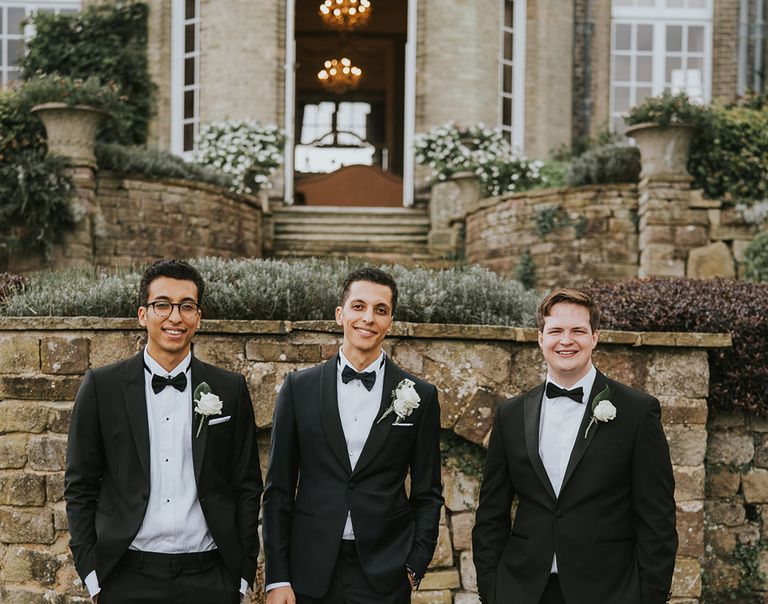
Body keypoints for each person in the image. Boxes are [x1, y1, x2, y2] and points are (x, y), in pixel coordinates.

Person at [65, 259, 263, 604]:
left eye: (187, 306)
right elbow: (80, 483)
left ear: (198, 317)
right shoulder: (102, 386)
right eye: (163, 305)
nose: (175, 317)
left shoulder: (229, 389)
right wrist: (92, 575)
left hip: (211, 576)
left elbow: (246, 484)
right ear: (143, 314)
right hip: (126, 576)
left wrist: (242, 574)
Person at [472, 288, 677, 604]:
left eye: (578, 331)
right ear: (541, 337)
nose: (566, 340)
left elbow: (657, 517)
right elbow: (491, 513)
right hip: (522, 590)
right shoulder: (510, 414)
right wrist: (492, 587)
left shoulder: (637, 412)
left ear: (595, 337)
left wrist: (649, 595)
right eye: (556, 331)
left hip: (610, 591)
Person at [263, 266, 444, 604]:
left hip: (385, 574)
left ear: (390, 321)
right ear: (340, 314)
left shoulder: (420, 395)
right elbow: (278, 490)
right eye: (358, 306)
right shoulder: (298, 388)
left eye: (381, 310)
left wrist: (414, 563)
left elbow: (428, 493)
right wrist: (277, 577)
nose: (368, 319)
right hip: (309, 570)